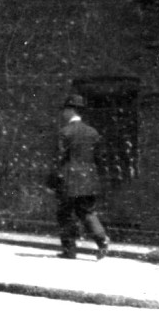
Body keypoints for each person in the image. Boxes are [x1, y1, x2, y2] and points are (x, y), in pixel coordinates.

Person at [53, 94, 110, 260]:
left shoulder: (65, 132)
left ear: (70, 111)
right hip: (89, 181)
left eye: (65, 110)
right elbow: (100, 158)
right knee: (87, 212)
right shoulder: (93, 133)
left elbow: (58, 160)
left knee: (65, 214)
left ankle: (69, 250)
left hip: (69, 181)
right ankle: (102, 240)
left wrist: (52, 182)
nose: (63, 114)